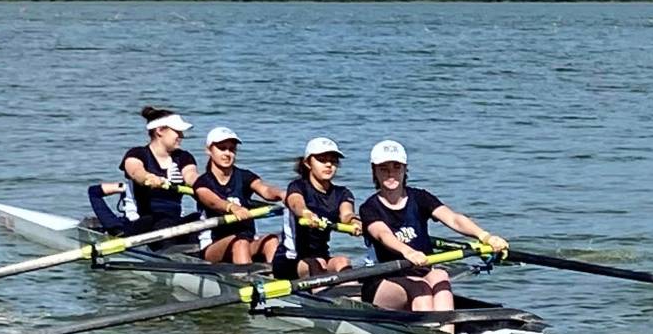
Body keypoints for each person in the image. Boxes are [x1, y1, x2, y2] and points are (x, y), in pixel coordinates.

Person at [359, 140, 509, 314]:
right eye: (383, 168)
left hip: (422, 271)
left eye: (396, 167)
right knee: (420, 287)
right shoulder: (369, 208)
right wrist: (407, 252)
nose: (390, 174)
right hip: (384, 281)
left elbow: (453, 219)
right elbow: (383, 235)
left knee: (440, 275)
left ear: (405, 169)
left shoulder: (420, 198)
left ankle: (446, 333)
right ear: (374, 171)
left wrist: (485, 236)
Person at [272, 138, 362, 279]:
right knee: (316, 264)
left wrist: (354, 222)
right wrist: (305, 214)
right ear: (308, 163)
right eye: (322, 160)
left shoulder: (342, 193)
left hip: (322, 257)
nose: (328, 165)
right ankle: (322, 297)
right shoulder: (297, 187)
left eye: (333, 161)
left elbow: (347, 214)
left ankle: (351, 296)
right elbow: (296, 203)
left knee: (342, 262)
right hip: (289, 260)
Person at [193, 127, 285, 264]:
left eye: (231, 149)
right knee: (239, 243)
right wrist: (232, 207)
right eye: (222, 148)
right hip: (213, 246)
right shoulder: (203, 183)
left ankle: (276, 280)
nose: (227, 153)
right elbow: (214, 202)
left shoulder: (244, 176)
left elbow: (265, 190)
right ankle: (245, 280)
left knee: (270, 240)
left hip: (247, 241)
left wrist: (283, 194)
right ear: (208, 150)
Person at [116, 106, 198, 234]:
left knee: (199, 218)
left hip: (173, 221)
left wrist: (207, 185)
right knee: (160, 221)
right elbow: (136, 171)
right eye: (177, 131)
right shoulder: (137, 154)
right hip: (140, 221)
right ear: (159, 131)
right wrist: (148, 178)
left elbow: (191, 176)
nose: (182, 136)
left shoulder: (184, 157)